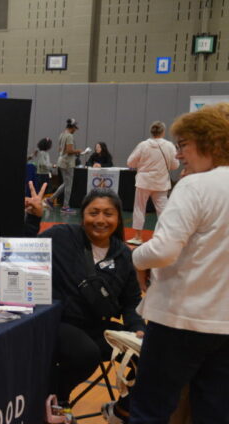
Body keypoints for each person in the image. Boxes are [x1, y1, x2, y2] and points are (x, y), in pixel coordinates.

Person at [129, 105, 229, 424]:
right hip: (224, 324)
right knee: (214, 411)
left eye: (184, 145)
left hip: (180, 319)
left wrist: (136, 257)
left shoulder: (195, 185)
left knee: (150, 410)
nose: (179, 154)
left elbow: (163, 251)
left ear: (210, 141)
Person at [26, 184, 145, 422]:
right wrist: (33, 219)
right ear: (83, 216)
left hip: (98, 327)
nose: (100, 220)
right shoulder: (62, 236)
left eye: (108, 213)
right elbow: (22, 250)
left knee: (148, 353)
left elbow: (131, 302)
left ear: (118, 218)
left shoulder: (124, 255)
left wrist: (137, 328)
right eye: (94, 212)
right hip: (59, 323)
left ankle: (122, 409)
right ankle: (60, 398)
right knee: (86, 353)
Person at [125, 121, 179, 245]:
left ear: (151, 132)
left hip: (143, 182)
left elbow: (130, 162)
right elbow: (175, 165)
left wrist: (141, 164)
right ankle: (165, 236)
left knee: (139, 208)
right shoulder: (169, 146)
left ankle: (138, 237)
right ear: (163, 132)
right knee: (163, 210)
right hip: (161, 182)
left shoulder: (143, 145)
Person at [45, 119, 82, 213]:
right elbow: (69, 150)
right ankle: (65, 206)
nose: (75, 130)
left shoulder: (62, 135)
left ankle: (50, 200)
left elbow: (60, 149)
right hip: (68, 163)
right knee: (69, 185)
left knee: (66, 183)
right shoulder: (69, 136)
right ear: (72, 127)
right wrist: (79, 151)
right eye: (75, 128)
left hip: (61, 161)